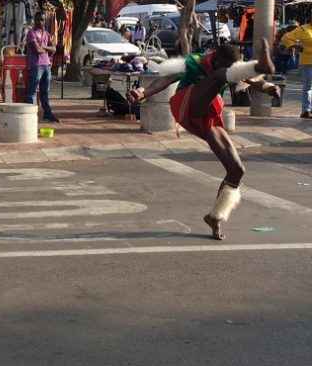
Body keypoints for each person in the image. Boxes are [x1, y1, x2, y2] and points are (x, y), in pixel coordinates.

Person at [128, 40, 279, 241]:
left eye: (231, 68)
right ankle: (260, 65)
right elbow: (165, 80)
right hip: (186, 105)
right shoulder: (195, 62)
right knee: (218, 77)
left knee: (236, 169)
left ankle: (214, 216)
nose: (228, 71)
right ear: (215, 57)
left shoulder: (229, 68)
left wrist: (268, 87)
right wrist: (142, 93)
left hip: (209, 114)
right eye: (224, 66)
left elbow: (253, 81)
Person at [25, 11, 60, 123]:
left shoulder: (47, 34)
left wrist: (43, 47)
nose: (40, 21)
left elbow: (54, 49)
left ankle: (47, 114)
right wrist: (47, 48)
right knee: (32, 91)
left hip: (46, 65)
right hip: (36, 65)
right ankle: (30, 114)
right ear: (34, 20)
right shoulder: (31, 33)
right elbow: (36, 50)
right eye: (38, 19)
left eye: (42, 19)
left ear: (45, 21)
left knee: (44, 92)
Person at [278, 19, 312, 119]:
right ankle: (306, 110)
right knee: (309, 86)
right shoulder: (303, 29)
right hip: (307, 62)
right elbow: (286, 38)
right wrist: (295, 46)